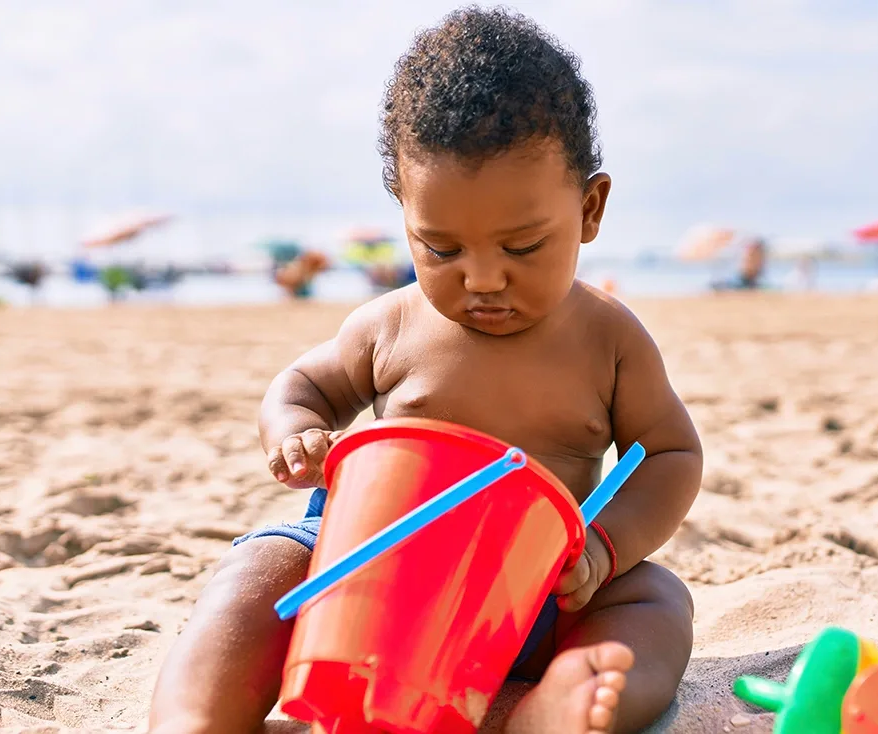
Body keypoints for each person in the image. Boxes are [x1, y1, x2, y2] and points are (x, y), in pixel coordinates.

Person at [148, 8, 703, 734]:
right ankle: (196, 717)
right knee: (257, 574)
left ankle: (558, 704)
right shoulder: (391, 325)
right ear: (404, 215)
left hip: (536, 594)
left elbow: (669, 453)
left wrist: (604, 546)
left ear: (589, 208)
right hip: (365, 580)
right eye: (441, 249)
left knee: (658, 605)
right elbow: (303, 386)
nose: (482, 279)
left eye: (523, 246)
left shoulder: (608, 341)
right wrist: (296, 431)